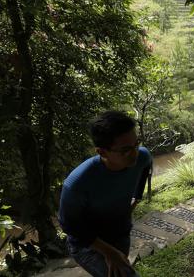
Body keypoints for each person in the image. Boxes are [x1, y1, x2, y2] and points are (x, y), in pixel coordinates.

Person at [59, 110, 152, 277]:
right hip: (88, 245)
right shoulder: (77, 183)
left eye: (136, 144)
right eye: (125, 150)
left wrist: (136, 197)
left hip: (120, 233)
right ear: (101, 152)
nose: (135, 153)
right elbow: (69, 225)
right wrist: (109, 252)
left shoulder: (142, 157)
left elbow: (146, 165)